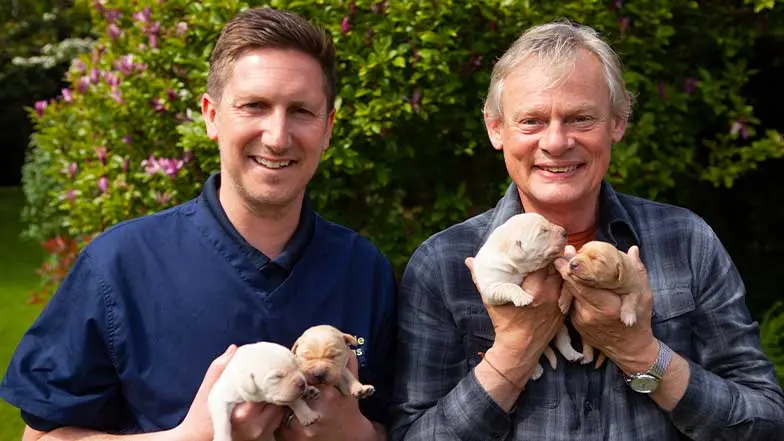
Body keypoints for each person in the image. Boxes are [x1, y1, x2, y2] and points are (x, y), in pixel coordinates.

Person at [0, 7, 395, 441]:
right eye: (254, 106)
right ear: (211, 115)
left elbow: (401, 423)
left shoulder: (364, 269)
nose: (277, 136)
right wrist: (189, 437)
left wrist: (356, 432)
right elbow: (41, 437)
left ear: (328, 128)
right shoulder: (120, 265)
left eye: (301, 111)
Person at [390, 20, 784, 441]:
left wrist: (640, 355)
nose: (556, 142)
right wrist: (514, 355)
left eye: (580, 118)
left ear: (618, 122)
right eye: (531, 121)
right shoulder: (443, 264)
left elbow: (766, 423)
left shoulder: (686, 241)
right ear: (495, 128)